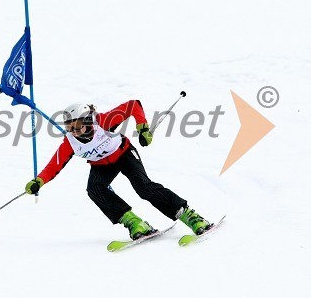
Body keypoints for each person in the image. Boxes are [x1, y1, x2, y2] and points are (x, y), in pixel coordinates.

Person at [24, 101, 212, 240]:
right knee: (94, 189)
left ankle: (190, 216)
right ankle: (134, 222)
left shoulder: (104, 121)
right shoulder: (70, 143)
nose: (75, 131)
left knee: (143, 186)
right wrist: (38, 181)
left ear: (88, 120)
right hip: (101, 165)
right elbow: (54, 166)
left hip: (124, 154)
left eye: (78, 125)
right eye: (69, 126)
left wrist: (142, 127)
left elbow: (133, 105)